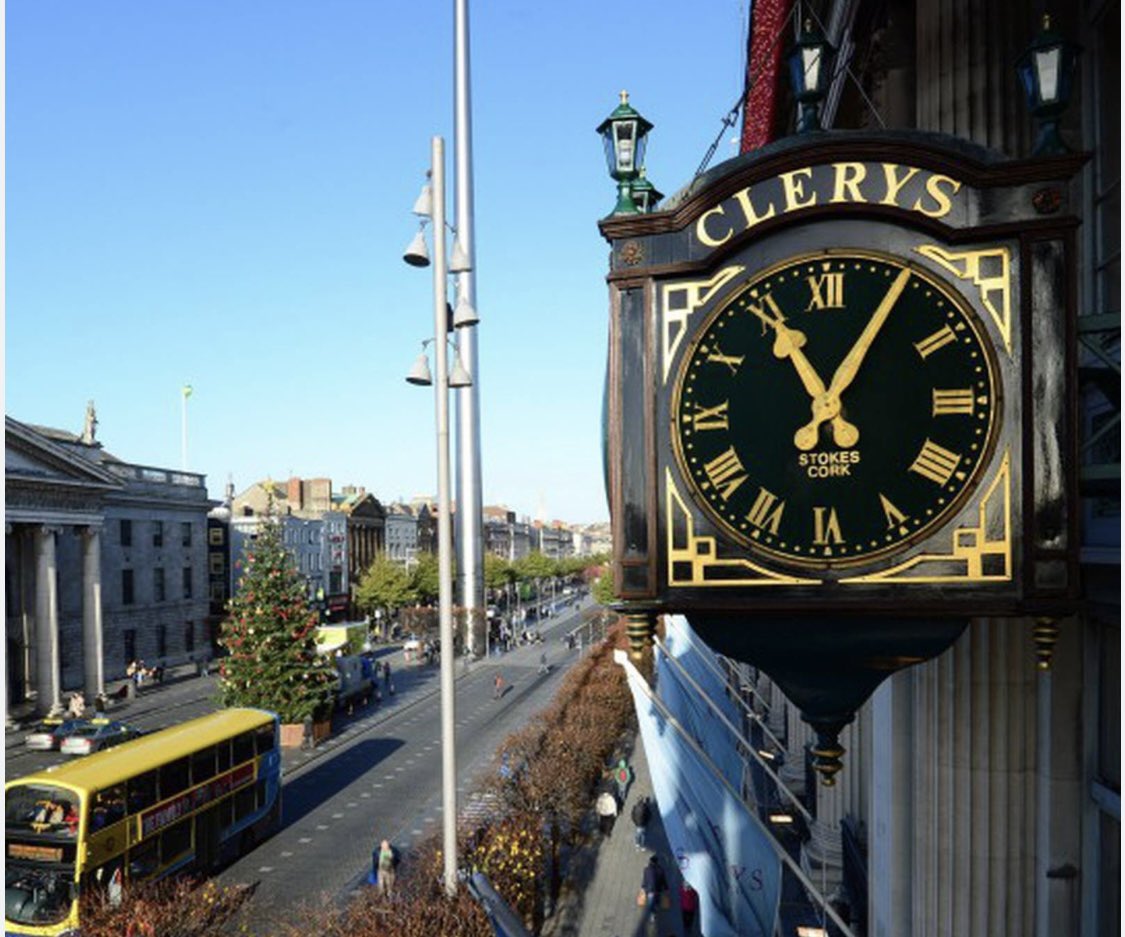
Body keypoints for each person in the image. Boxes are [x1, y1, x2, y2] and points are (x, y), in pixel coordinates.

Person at [641, 855, 668, 923]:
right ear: (657, 862)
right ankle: (656, 907)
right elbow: (663, 880)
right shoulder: (661, 870)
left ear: (650, 862)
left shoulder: (646, 869)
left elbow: (645, 879)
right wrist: (666, 888)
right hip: (658, 889)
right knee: (657, 900)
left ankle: (653, 914)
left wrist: (643, 887)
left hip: (650, 890)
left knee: (650, 903)